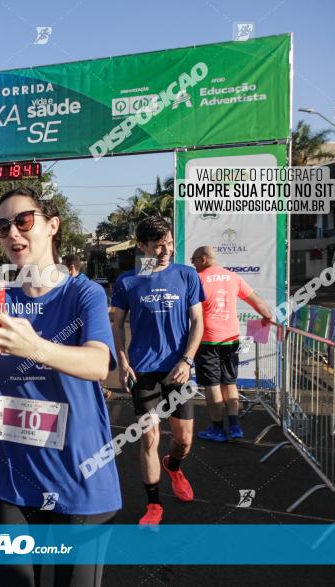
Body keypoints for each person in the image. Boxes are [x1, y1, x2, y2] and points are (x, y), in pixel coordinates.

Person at [0, 187, 119, 587]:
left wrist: (36, 347)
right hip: (13, 478)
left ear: (52, 226)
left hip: (77, 478)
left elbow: (99, 364)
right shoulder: (0, 301)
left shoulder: (84, 294)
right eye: (2, 226)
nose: (13, 233)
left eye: (24, 221)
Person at [110, 216, 204, 526]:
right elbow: (117, 325)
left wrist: (187, 360)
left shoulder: (187, 275)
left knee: (184, 441)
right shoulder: (129, 281)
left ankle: (174, 466)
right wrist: (122, 362)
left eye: (168, 242)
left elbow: (197, 323)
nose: (165, 249)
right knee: (148, 438)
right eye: (157, 244)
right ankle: (153, 505)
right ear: (142, 246)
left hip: (178, 371)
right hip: (144, 371)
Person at [191, 245, 273, 441]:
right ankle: (236, 427)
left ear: (203, 259)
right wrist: (267, 316)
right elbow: (257, 300)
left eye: (193, 260)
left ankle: (218, 429)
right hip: (230, 339)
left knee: (212, 385)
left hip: (207, 340)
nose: (192, 264)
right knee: (229, 382)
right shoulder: (232, 277)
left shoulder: (198, 279)